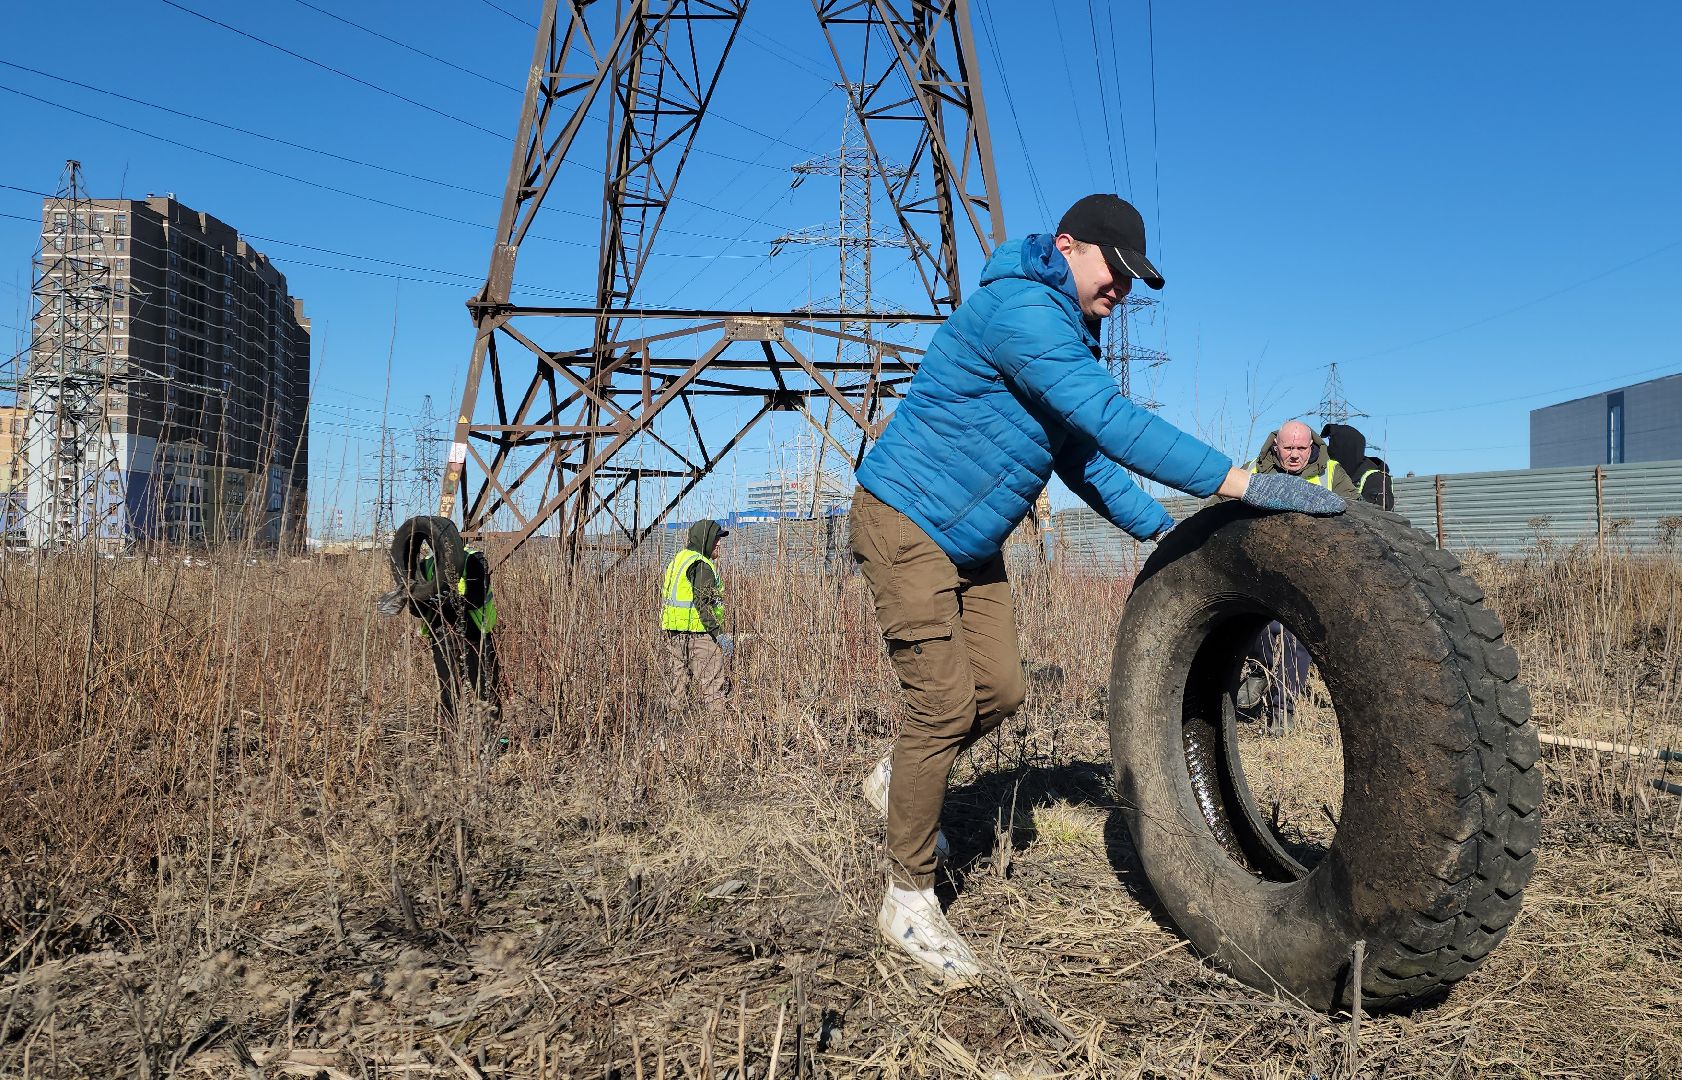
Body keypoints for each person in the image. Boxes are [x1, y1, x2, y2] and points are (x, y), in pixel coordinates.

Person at [849, 193, 1346, 983]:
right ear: (1069, 245)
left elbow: (1083, 456)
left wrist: (1160, 529)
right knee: (941, 703)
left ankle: (900, 774)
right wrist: (1238, 482)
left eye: (1130, 283)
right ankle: (906, 899)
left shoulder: (1067, 334)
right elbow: (1112, 422)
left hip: (968, 544)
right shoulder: (1022, 313)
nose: (1120, 292)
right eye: (1114, 273)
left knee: (1002, 691)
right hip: (906, 522)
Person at [418, 543, 501, 718]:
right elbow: (416, 606)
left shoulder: (472, 559)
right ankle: (450, 740)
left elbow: (476, 598)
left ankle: (496, 740)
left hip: (475, 632)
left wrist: (448, 600)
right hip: (441, 633)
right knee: (448, 692)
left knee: (486, 690)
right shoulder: (425, 564)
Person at [660, 519, 731, 714]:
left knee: (677, 686)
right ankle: (718, 736)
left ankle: (672, 731)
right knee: (713, 687)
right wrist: (719, 635)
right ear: (705, 539)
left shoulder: (679, 559)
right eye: (716, 538)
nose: (719, 543)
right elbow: (704, 604)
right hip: (700, 635)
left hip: (675, 634)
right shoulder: (701, 565)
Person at [1248, 419, 1359, 498]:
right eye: (1288, 448)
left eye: (1302, 448)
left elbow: (1356, 510)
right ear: (1276, 446)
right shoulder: (1253, 468)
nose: (1295, 455)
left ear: (1311, 445)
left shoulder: (1332, 471)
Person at [1321, 422, 1394, 510]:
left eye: (1332, 444)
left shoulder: (1376, 480)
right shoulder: (1329, 473)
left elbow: (1379, 518)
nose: (1328, 450)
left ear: (1346, 447)